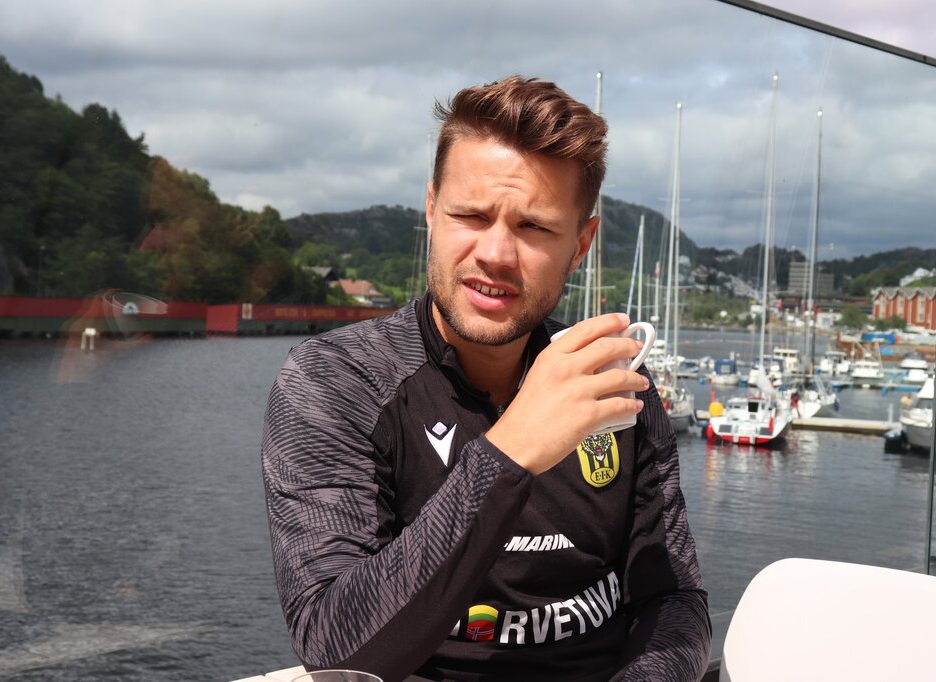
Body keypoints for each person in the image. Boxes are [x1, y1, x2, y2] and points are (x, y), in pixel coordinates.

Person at [262, 75, 711, 682]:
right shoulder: (337, 383)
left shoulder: (615, 380)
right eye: (470, 215)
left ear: (580, 245)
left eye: (534, 228)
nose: (496, 253)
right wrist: (512, 451)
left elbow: (673, 598)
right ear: (431, 210)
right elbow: (334, 646)